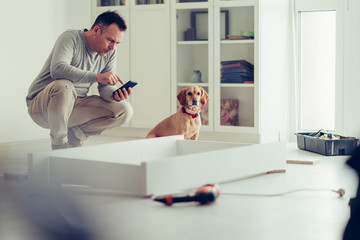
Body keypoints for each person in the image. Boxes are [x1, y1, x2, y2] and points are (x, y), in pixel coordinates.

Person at [26, 11, 133, 150]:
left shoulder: (110, 52)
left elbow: (104, 88)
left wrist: (114, 95)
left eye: (117, 43)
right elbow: (58, 70)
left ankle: (76, 135)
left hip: (74, 106)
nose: (113, 47)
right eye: (110, 40)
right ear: (96, 30)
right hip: (42, 106)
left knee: (124, 110)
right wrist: (97, 76)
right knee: (64, 86)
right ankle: (59, 145)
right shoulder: (70, 38)